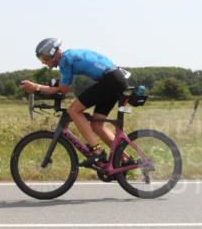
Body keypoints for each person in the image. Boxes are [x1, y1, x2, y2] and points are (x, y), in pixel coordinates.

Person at [20, 38, 127, 166]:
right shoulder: (68, 57)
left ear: (53, 53)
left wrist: (36, 87)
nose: (44, 63)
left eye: (45, 58)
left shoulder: (65, 60)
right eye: (41, 60)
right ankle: (124, 159)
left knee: (73, 110)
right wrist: (51, 87)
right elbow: (61, 86)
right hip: (115, 79)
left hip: (111, 80)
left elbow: (63, 90)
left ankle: (97, 152)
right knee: (97, 125)